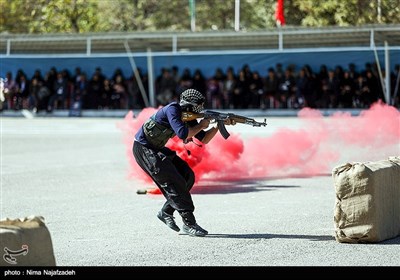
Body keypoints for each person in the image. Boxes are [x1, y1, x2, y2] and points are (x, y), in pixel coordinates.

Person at [132, 88, 235, 237]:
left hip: (156, 149)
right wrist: (201, 125)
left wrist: (219, 124)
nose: (200, 110)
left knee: (187, 176)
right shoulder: (172, 109)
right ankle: (189, 224)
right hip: (144, 150)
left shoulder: (189, 117)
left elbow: (204, 139)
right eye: (198, 107)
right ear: (189, 105)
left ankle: (166, 212)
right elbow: (182, 134)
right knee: (175, 183)